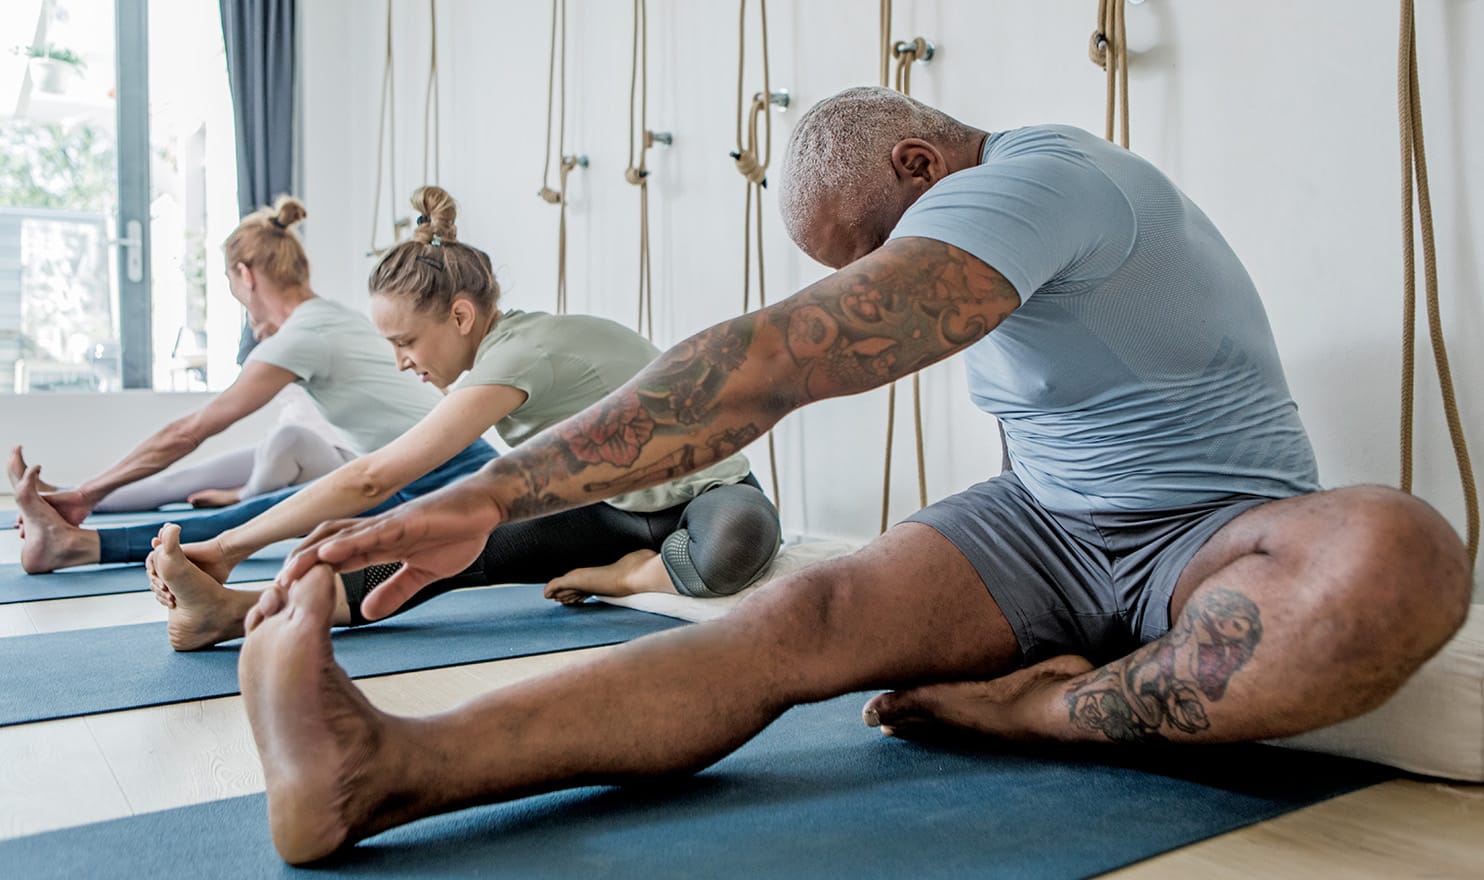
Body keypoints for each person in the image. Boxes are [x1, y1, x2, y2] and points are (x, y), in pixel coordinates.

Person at [238, 87, 1469, 864]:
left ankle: (1030, 711)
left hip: (1212, 526)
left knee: (1393, 552)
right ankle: (382, 768)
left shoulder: (1045, 180)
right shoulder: (993, 215)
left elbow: (781, 358)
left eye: (873, 254)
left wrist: (497, 493)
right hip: (1040, 523)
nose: (878, 276)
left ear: (925, 167)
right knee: (792, 614)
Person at [146, 185, 780, 651]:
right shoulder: (498, 359)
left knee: (740, 543)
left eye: (406, 343)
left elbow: (373, 479)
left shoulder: (522, 355)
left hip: (709, 498)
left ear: (460, 316)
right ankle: (231, 613)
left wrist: (228, 545)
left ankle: (626, 576)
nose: (400, 363)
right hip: (609, 509)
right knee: (441, 546)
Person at [11, 196, 494, 575]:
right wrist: (86, 492)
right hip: (445, 467)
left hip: (445, 479)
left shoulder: (304, 335)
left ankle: (77, 541)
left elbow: (190, 431)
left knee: (266, 513)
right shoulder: (330, 319)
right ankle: (68, 506)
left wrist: (88, 498)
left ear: (245, 276)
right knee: (244, 493)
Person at [8, 391, 356, 513]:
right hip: (282, 454)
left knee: (288, 437)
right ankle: (59, 495)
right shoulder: (279, 343)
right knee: (179, 480)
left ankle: (241, 497)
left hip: (334, 458)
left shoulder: (317, 331)